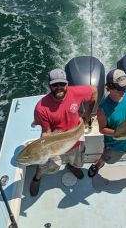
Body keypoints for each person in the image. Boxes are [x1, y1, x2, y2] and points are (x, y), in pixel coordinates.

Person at [30, 68, 97, 196]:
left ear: (67, 83)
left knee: (77, 159)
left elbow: (94, 90)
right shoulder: (41, 108)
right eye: (55, 85)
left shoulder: (76, 92)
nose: (59, 87)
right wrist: (46, 148)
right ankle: (37, 177)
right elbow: (46, 131)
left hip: (76, 136)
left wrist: (88, 113)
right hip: (56, 141)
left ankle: (71, 166)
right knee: (44, 163)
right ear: (49, 85)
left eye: (62, 84)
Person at [87, 69, 126, 193]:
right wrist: (118, 133)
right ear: (110, 87)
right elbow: (102, 129)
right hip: (114, 144)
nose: (124, 91)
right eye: (121, 88)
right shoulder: (103, 108)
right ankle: (99, 163)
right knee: (108, 157)